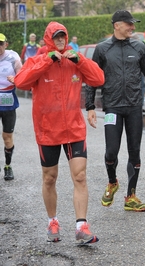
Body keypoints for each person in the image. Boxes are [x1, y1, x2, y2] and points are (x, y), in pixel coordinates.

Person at [14, 21, 104, 244]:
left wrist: (80, 60)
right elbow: (21, 82)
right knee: (49, 178)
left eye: (63, 36)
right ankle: (52, 221)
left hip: (73, 129)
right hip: (48, 130)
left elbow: (99, 79)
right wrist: (47, 60)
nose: (61, 40)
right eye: (56, 37)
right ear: (48, 39)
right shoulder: (38, 59)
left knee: (80, 176)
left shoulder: (74, 59)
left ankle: (81, 226)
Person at [86, 10, 145, 212]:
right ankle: (112, 182)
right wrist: (90, 106)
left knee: (134, 151)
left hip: (134, 107)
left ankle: (131, 196)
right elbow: (92, 79)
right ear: (116, 25)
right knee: (111, 151)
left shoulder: (139, 47)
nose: (133, 27)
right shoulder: (102, 49)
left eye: (133, 24)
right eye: (129, 24)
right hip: (112, 107)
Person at [0, 33, 22, 181]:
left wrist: (16, 80)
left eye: (0, 44)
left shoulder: (13, 57)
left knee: (7, 137)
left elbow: (23, 77)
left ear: (5, 45)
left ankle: (8, 166)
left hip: (8, 101)